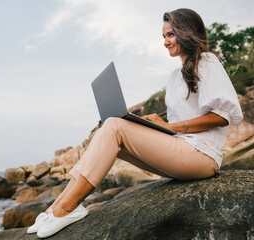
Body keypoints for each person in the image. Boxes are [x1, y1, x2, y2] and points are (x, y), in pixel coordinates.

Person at [28, 8, 243, 238]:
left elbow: (222, 117)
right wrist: (159, 125)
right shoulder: (174, 76)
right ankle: (54, 209)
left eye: (170, 35)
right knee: (111, 134)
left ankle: (66, 209)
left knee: (113, 127)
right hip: (182, 150)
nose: (166, 42)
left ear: (187, 32)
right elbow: (178, 124)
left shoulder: (206, 61)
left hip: (203, 156)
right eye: (164, 37)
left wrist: (172, 127)